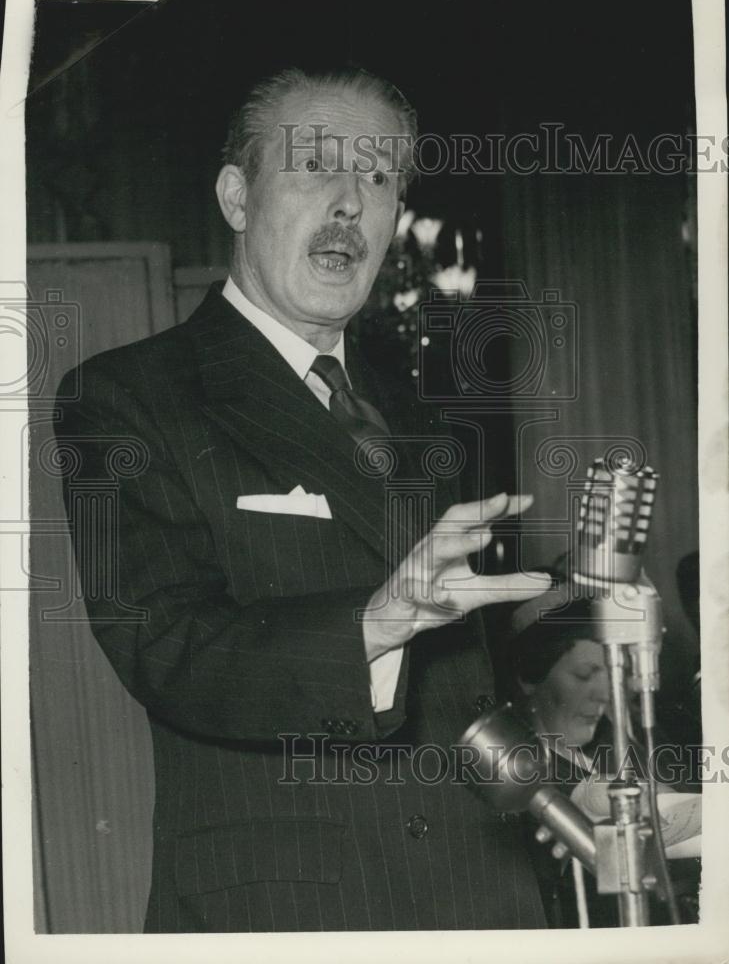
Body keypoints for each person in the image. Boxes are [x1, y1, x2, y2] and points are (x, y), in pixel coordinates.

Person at [54, 66, 552, 933]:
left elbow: (459, 698)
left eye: (379, 176)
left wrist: (581, 796)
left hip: (482, 906)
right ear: (237, 197)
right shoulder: (128, 398)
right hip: (295, 915)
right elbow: (163, 646)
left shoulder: (417, 412)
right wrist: (374, 620)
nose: (351, 203)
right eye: (318, 165)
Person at [508, 585, 700, 927]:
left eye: (611, 674)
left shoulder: (625, 742)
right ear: (528, 677)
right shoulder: (521, 780)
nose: (604, 694)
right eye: (583, 675)